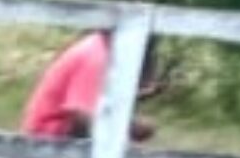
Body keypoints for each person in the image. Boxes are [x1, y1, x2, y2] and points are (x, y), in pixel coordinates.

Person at [19, 26, 151, 144]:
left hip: (55, 129)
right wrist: (125, 128)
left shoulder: (96, 46)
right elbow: (81, 115)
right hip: (48, 136)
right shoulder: (95, 57)